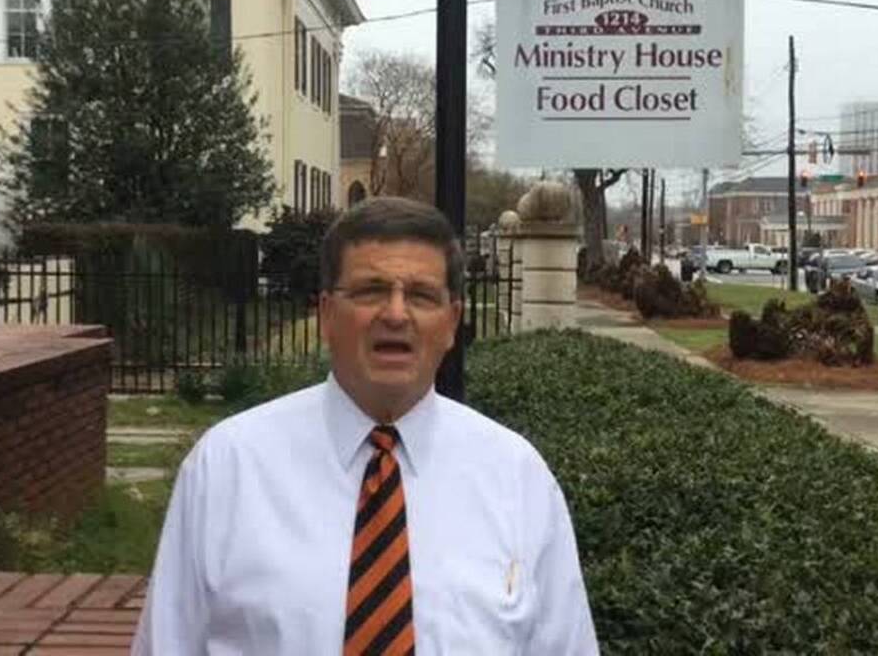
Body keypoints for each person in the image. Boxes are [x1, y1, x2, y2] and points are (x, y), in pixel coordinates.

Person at [132, 197, 598, 655]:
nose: (395, 314)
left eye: (420, 295)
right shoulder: (227, 467)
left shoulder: (517, 477)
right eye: (370, 290)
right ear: (327, 314)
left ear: (452, 321)